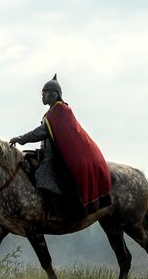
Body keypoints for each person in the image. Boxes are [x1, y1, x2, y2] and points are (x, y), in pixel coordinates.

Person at [9, 74, 112, 218]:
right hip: (46, 154)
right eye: (42, 92)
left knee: (43, 175)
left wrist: (21, 139)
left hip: (58, 157)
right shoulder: (52, 112)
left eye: (46, 92)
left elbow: (42, 132)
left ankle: (59, 211)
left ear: (55, 94)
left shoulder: (61, 111)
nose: (43, 95)